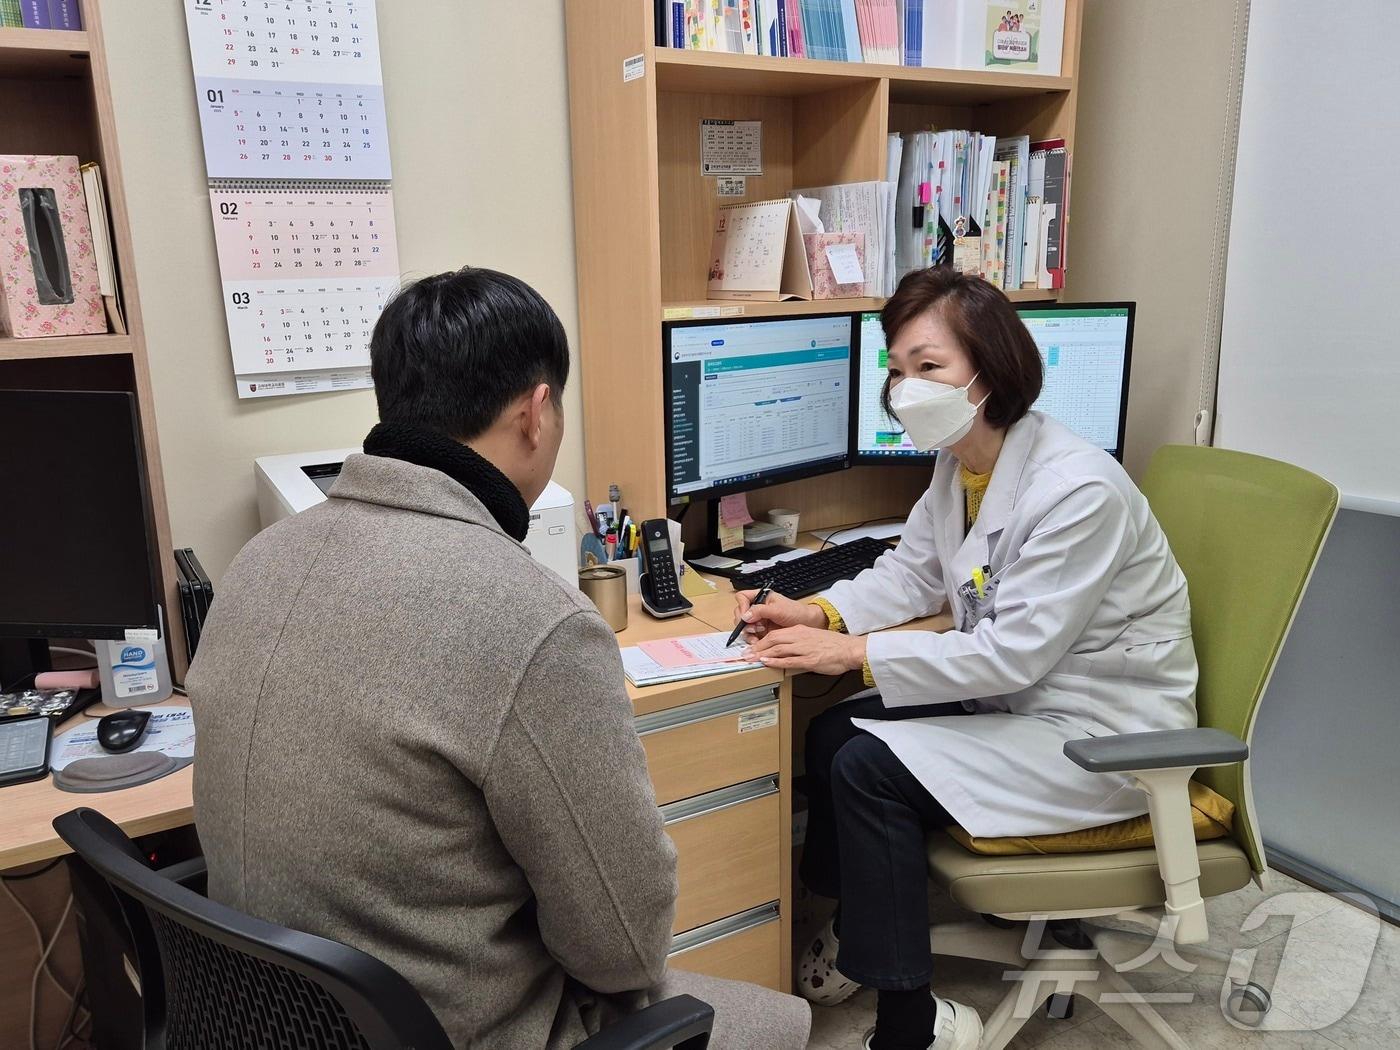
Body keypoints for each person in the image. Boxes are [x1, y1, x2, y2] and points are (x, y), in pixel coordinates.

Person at [189, 267, 810, 1050]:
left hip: (271, 1018)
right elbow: (623, 947)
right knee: (786, 1022)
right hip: (453, 1031)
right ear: (536, 412)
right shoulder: (533, 619)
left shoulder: (257, 561)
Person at [734, 268, 1197, 1050]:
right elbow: (914, 572)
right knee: (836, 732)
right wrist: (816, 609)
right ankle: (858, 925)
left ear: (992, 370)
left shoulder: (1078, 488)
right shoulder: (964, 461)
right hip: (1025, 700)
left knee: (865, 767)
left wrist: (848, 650)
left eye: (928, 366)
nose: (903, 387)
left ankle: (910, 1025)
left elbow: (1009, 655)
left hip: (1102, 734)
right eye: (897, 368)